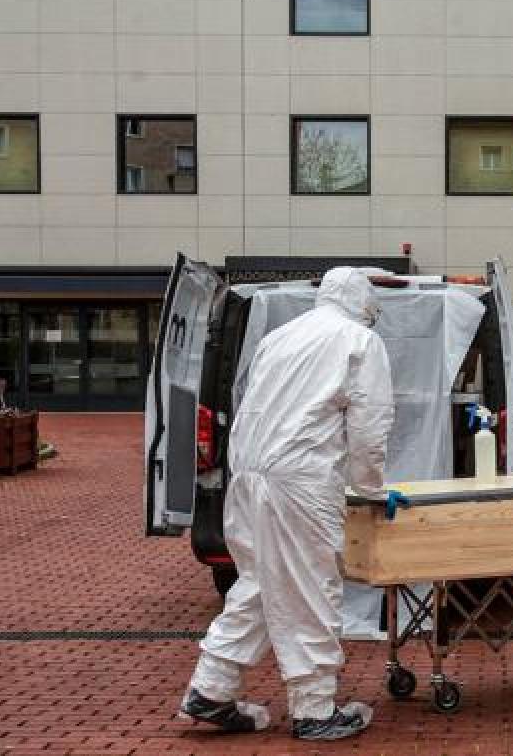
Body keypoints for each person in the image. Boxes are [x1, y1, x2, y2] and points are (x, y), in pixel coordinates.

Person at [178, 267, 396, 740]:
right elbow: (369, 429)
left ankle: (210, 689)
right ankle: (314, 710)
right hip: (299, 479)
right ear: (360, 300)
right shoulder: (359, 341)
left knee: (260, 581)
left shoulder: (279, 337)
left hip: (250, 473)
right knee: (310, 587)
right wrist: (372, 490)